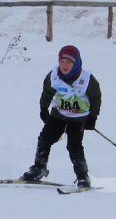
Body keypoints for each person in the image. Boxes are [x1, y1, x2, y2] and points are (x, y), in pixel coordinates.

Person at [21, 44, 101, 188]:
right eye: (62, 61)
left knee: (74, 146)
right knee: (45, 139)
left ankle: (83, 176)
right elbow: (47, 93)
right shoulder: (54, 76)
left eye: (69, 62)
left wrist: (92, 117)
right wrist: (43, 108)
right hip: (59, 114)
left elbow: (96, 98)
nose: (64, 65)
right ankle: (39, 168)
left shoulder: (87, 80)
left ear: (76, 63)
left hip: (78, 118)